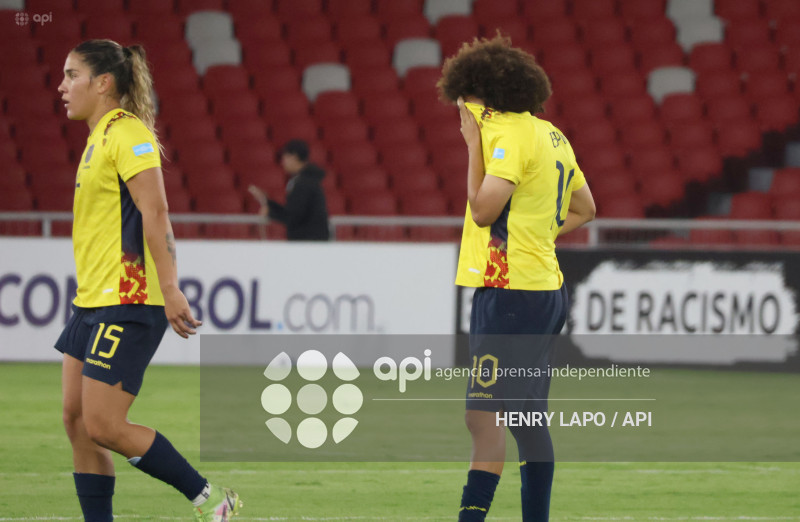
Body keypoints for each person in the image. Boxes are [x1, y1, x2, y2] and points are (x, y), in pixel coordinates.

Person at [56, 39, 241, 521]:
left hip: (129, 298)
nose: (62, 86)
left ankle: (213, 501)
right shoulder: (96, 137)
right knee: (76, 421)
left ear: (103, 83)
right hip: (91, 301)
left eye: (72, 75)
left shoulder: (128, 133)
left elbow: (155, 212)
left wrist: (171, 285)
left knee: (102, 423)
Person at [437, 35, 596, 521]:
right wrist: (538, 236)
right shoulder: (551, 134)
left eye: (464, 101)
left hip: (509, 293)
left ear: (480, 96)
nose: (461, 110)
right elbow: (586, 209)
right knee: (526, 419)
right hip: (545, 290)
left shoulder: (502, 135)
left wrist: (472, 148)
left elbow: (483, 212)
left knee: (482, 416)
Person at [248, 139, 330, 241]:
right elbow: (294, 212)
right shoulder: (306, 180)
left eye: (285, 157)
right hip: (311, 243)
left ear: (294, 157)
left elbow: (293, 217)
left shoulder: (303, 183)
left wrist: (270, 212)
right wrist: (267, 203)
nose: (283, 162)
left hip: (308, 245)